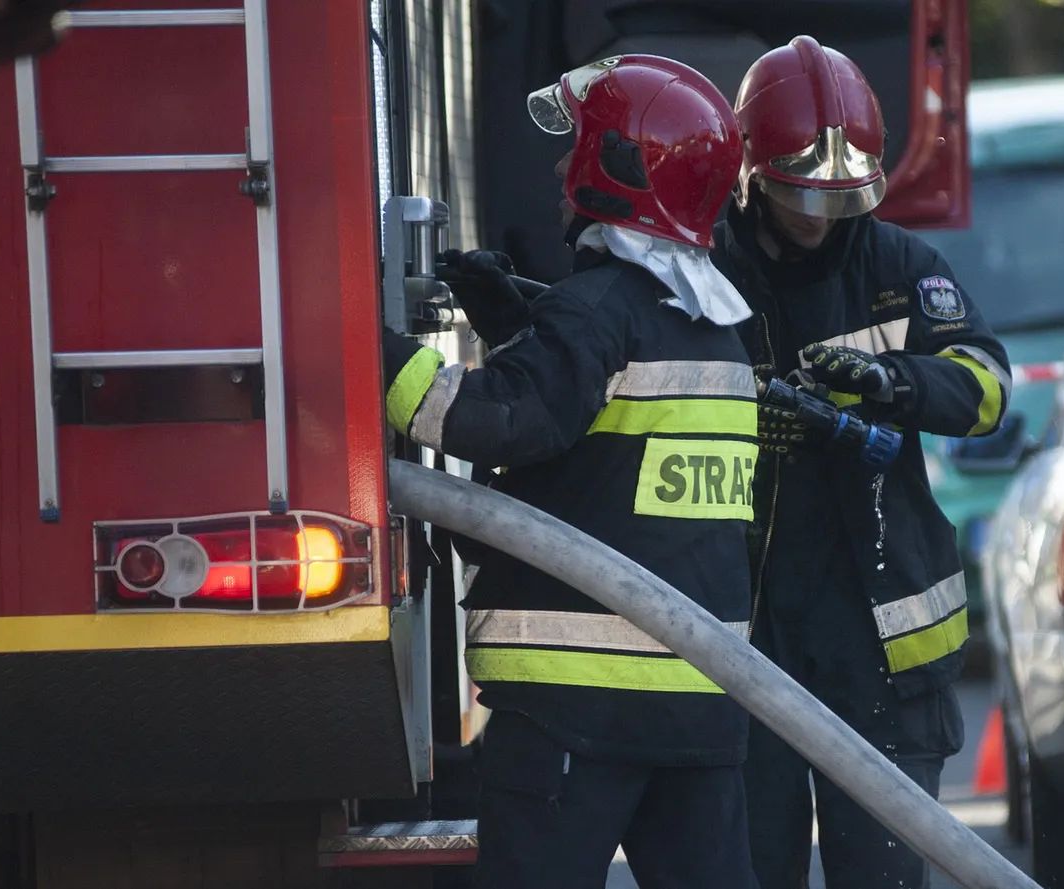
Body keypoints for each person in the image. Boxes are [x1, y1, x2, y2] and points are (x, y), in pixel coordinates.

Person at [383, 54, 760, 889]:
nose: (560, 167)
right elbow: (609, 443)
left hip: (574, 708)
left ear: (618, 169)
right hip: (701, 709)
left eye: (579, 147)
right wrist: (525, 323)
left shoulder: (594, 315)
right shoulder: (715, 332)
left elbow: (497, 419)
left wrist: (374, 354)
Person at [708, 35, 1012, 889]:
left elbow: (985, 384)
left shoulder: (900, 267)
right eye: (800, 193)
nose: (818, 215)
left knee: (880, 872)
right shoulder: (705, 276)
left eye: (838, 197)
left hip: (884, 651)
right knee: (752, 871)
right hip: (750, 639)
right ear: (753, 170)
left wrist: (893, 381)